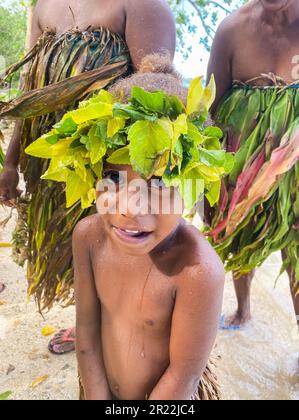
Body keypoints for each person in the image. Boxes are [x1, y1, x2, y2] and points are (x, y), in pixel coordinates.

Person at [25, 54, 227, 400]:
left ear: (193, 186)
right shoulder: (88, 236)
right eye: (112, 178)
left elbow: (182, 377)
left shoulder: (197, 271)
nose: (131, 207)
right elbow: (87, 332)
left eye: (160, 183)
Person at [0, 0, 176, 353]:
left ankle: (118, 331)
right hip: (49, 163)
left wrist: (129, 189)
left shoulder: (141, 5)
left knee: (112, 245)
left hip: (107, 167)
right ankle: (91, 322)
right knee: (76, 247)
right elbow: (28, 90)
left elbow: (155, 98)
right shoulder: (43, 8)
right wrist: (11, 162)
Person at [207, 0, 299, 344]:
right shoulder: (232, 30)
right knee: (238, 233)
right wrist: (211, 183)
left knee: (297, 251)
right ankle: (243, 309)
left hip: (296, 174)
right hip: (240, 166)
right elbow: (210, 110)